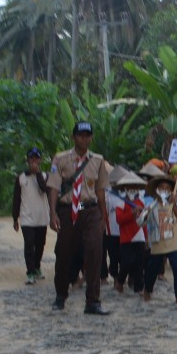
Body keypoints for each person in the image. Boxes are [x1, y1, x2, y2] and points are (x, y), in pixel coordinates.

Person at [48, 122, 111, 315]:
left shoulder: (98, 160)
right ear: (74, 137)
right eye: (81, 135)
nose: (85, 139)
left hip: (89, 209)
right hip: (69, 209)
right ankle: (60, 294)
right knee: (64, 252)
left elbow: (100, 190)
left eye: (88, 135)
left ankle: (93, 300)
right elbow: (54, 187)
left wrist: (103, 216)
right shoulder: (60, 159)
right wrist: (52, 212)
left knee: (94, 252)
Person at [141, 174, 177, 303]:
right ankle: (147, 290)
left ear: (171, 191)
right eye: (161, 187)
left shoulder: (175, 204)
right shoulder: (151, 206)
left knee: (176, 268)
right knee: (152, 268)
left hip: (173, 242)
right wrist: (144, 214)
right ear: (156, 190)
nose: (164, 190)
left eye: (167, 188)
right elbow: (141, 222)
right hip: (157, 242)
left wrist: (174, 204)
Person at [12, 147, 49, 285]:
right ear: (27, 160)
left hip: (42, 217)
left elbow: (45, 189)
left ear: (40, 160)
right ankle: (30, 272)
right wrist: (15, 218)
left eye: (36, 158)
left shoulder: (45, 176)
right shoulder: (21, 178)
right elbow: (16, 199)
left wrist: (37, 174)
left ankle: (37, 266)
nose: (33, 161)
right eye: (31, 158)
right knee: (29, 245)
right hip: (27, 218)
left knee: (40, 244)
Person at [112, 172, 148, 294]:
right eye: (129, 187)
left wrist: (146, 237)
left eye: (134, 187)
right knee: (125, 262)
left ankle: (139, 288)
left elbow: (144, 222)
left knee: (139, 263)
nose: (132, 189)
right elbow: (119, 219)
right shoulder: (119, 202)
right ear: (124, 188)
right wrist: (132, 213)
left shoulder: (141, 202)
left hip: (139, 236)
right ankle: (120, 281)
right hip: (124, 236)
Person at [102, 167, 126, 287]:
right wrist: (76, 207)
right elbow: (89, 204)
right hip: (110, 231)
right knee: (113, 257)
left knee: (124, 257)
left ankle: (123, 277)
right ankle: (116, 278)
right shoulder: (106, 195)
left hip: (125, 232)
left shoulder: (127, 195)